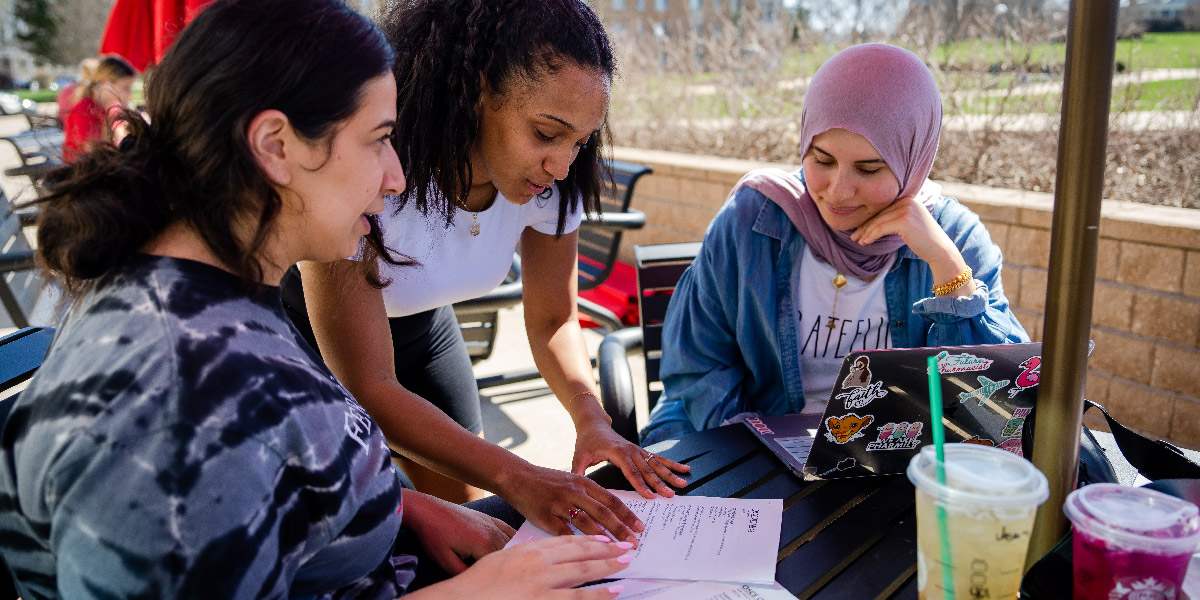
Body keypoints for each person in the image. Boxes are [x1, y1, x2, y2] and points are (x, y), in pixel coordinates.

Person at [0, 1, 631, 597]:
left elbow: (283, 484)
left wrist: (402, 506)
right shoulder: (169, 403)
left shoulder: (225, 304)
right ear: (276, 146)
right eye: (378, 139)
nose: (399, 177)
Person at [280, 0, 689, 531]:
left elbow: (554, 321)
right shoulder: (378, 173)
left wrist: (593, 419)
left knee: (472, 523)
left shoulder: (553, 182)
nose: (562, 164)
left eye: (579, 141)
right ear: (477, 92)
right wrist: (519, 475)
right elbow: (368, 384)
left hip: (424, 334)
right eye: (546, 133)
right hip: (310, 348)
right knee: (360, 531)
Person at [641, 43, 1030, 445]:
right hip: (746, 436)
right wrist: (761, 458)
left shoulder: (955, 238)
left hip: (890, 460)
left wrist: (948, 269)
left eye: (869, 168)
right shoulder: (754, 220)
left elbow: (994, 407)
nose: (839, 191)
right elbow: (699, 368)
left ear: (913, 160)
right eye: (822, 160)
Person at [61, 55, 135, 161]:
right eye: (125, 88)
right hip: (81, 171)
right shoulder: (84, 108)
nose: (129, 94)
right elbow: (93, 151)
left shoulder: (109, 107)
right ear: (106, 83)